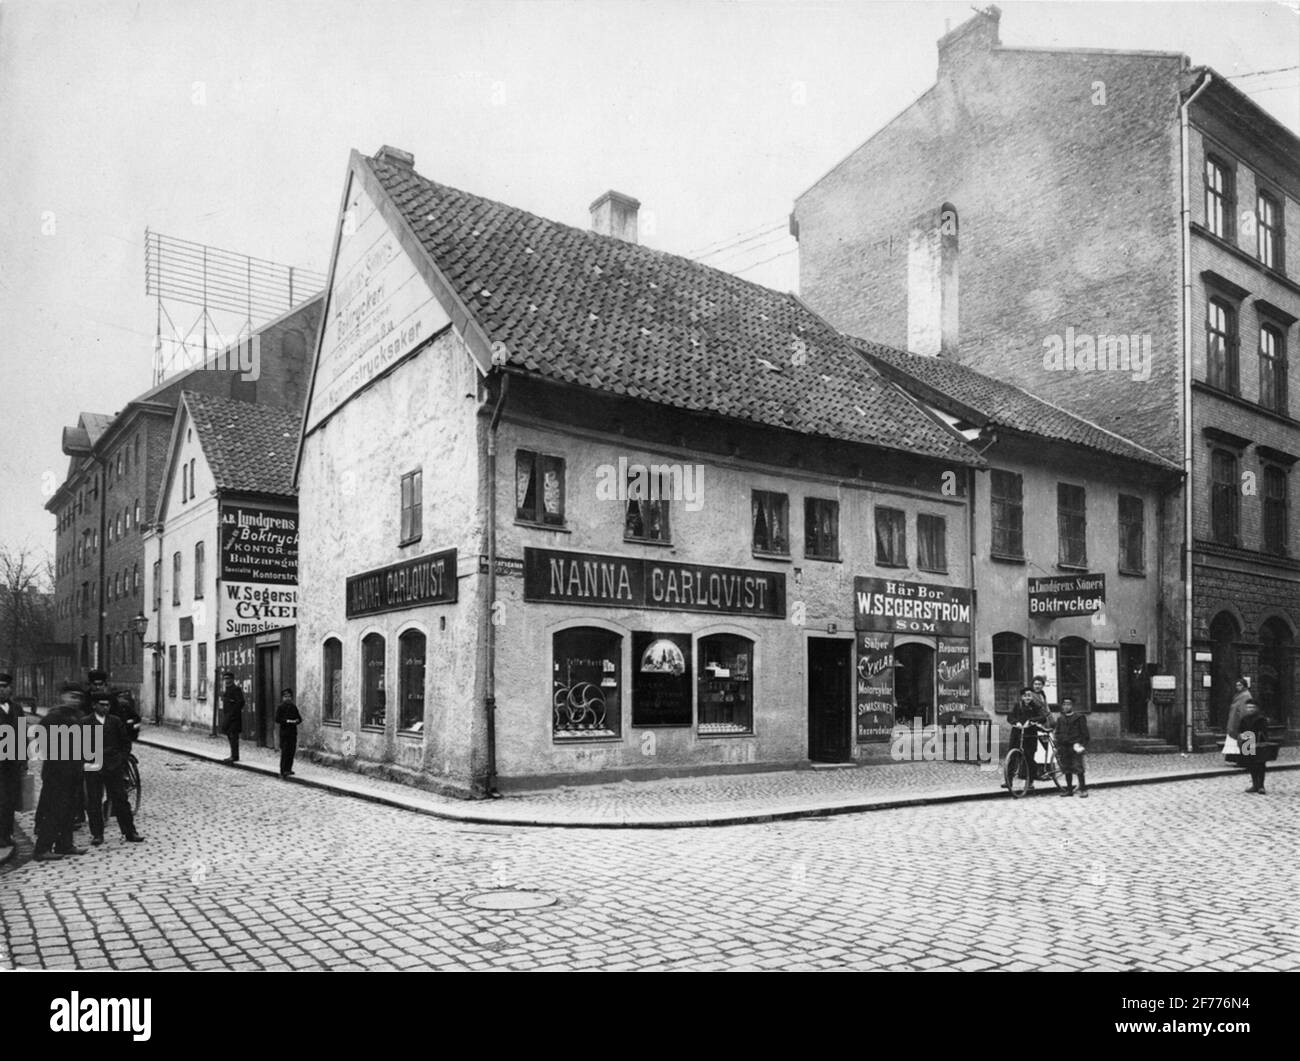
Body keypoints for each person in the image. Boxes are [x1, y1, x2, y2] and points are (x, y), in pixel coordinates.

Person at [32, 683, 89, 861]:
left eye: (78, 697)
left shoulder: (78, 716)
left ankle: (65, 844)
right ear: (63, 697)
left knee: (69, 809)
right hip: (57, 771)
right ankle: (42, 848)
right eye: (71, 696)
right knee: (55, 809)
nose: (75, 700)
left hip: (74, 770)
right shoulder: (53, 717)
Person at [83, 693, 144, 845]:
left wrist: (121, 760)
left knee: (121, 800)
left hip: (113, 766)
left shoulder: (115, 721)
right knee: (94, 801)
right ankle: (97, 834)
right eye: (101, 704)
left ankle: (130, 832)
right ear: (94, 705)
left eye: (108, 705)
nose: (105, 707)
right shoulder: (85, 723)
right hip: (93, 767)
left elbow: (125, 743)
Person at [0, 673, 27, 847]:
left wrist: (24, 760)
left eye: (5, 686)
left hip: (13, 763)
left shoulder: (17, 709)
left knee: (10, 800)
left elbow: (23, 735)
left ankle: (7, 833)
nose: (2, 690)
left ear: (10, 688)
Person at [1008, 685, 1050, 793]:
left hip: (1030, 735)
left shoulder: (1035, 706)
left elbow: (1043, 717)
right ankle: (1009, 781)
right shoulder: (1018, 706)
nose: (1028, 698)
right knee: (1012, 757)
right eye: (1026, 696)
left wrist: (1031, 721)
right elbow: (1010, 717)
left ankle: (1030, 781)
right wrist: (1015, 722)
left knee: (1029, 757)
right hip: (1017, 734)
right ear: (1022, 697)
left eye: (1030, 696)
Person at [1054, 696, 1090, 798]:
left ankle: (1083, 789)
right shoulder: (1060, 719)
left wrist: (1081, 745)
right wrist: (1059, 742)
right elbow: (1057, 733)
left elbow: (1085, 734)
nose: (1066, 706)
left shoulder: (1079, 717)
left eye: (1068, 704)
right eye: (1064, 704)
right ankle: (1069, 790)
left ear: (1072, 706)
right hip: (1064, 747)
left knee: (1078, 767)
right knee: (1066, 768)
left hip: (1075, 746)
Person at [1235, 698, 1271, 795]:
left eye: (1252, 707)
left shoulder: (1261, 719)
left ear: (1256, 708)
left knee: (1260, 765)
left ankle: (1261, 786)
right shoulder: (1244, 719)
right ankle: (1255, 784)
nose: (1250, 709)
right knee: (1250, 764)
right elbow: (1240, 730)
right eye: (1248, 707)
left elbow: (1264, 732)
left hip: (1259, 744)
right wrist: (1241, 735)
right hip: (1247, 744)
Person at [275, 688, 303, 778]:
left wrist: (296, 721)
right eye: (286, 697)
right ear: (283, 698)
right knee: (285, 751)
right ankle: (283, 770)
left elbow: (299, 719)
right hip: (284, 733)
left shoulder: (293, 707)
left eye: (289, 696)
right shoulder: (280, 707)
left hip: (292, 732)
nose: (288, 698)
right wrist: (287, 721)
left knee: (291, 751)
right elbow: (277, 719)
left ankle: (289, 769)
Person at [220, 672, 245, 763]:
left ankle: (234, 756)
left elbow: (241, 702)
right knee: (229, 735)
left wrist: (234, 713)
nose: (226, 680)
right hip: (228, 716)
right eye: (225, 678)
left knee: (233, 736)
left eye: (228, 678)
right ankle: (233, 755)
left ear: (232, 679)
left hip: (234, 718)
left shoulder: (236, 689)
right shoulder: (227, 689)